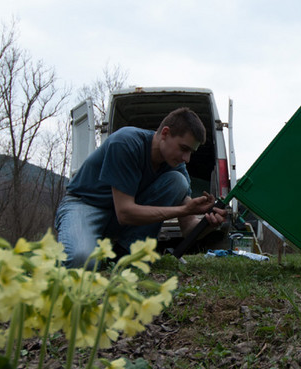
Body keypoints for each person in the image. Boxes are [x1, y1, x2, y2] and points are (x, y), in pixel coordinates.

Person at [55, 107, 227, 268]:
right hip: (85, 205)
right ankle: (87, 251)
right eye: (183, 148)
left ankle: (125, 255)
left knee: (178, 181)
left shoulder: (175, 165)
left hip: (117, 216)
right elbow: (125, 213)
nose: (187, 158)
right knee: (82, 260)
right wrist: (183, 210)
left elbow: (188, 228)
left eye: (191, 152)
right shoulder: (126, 142)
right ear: (165, 133)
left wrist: (207, 224)